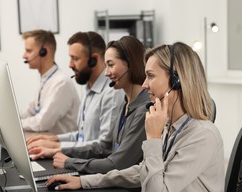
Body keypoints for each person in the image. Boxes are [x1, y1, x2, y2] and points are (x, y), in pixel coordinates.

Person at [45, 42, 235, 192]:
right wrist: (85, 181)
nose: (144, 84)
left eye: (151, 76)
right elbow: (144, 170)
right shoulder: (172, 127)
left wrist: (153, 138)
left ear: (177, 80)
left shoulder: (202, 135)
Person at [29, 36, 149, 174]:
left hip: (122, 185)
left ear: (130, 64)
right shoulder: (126, 102)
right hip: (111, 177)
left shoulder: (141, 108)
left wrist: (68, 160)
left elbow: (115, 160)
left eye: (111, 65)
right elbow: (106, 146)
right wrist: (56, 143)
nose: (107, 73)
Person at [26, 31, 124, 151]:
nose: (70, 65)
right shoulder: (89, 89)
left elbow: (105, 146)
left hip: (95, 167)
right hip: (82, 160)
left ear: (94, 60)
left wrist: (59, 147)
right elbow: (82, 136)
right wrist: (54, 139)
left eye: (75, 59)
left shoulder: (111, 93)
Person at [20, 29, 80, 134]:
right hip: (48, 142)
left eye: (29, 51)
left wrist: (16, 124)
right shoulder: (46, 79)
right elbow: (30, 111)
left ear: (44, 52)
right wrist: (5, 119)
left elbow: (42, 123)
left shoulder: (61, 83)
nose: (24, 55)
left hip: (63, 148)